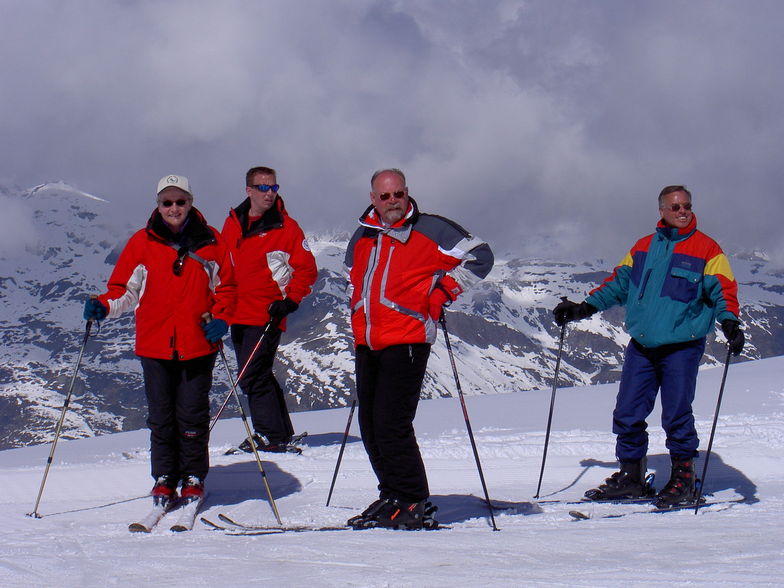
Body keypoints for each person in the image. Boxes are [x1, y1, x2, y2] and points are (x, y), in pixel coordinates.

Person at [553, 185, 744, 507]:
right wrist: (583, 308)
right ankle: (632, 478)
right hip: (642, 344)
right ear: (662, 211)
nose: (683, 211)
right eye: (676, 207)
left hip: (682, 346)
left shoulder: (707, 250)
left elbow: (724, 290)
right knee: (628, 412)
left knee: (676, 413)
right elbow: (619, 284)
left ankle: (684, 480)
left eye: (687, 206)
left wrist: (730, 322)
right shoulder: (644, 247)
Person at [344, 168, 494, 529]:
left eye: (397, 194)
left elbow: (481, 257)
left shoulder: (432, 229)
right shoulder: (363, 233)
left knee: (391, 423)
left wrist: (442, 292)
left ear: (407, 192)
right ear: (373, 199)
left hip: (408, 336)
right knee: (370, 424)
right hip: (368, 339)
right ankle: (393, 494)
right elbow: (351, 271)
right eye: (385, 196)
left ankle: (413, 500)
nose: (392, 202)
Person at [83, 174, 236, 506]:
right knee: (161, 416)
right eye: (167, 202)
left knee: (192, 414)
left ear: (190, 203)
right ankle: (165, 476)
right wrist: (103, 306)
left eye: (180, 201)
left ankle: (193, 476)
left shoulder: (211, 241)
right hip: (155, 345)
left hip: (198, 343)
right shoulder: (142, 243)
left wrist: (222, 318)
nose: (174, 208)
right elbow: (124, 291)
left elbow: (227, 287)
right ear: (158, 205)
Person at [220, 166, 317, 453]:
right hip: (237, 311)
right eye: (263, 187)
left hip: (266, 312)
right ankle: (279, 432)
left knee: (251, 374)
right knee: (258, 373)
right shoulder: (233, 223)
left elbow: (307, 270)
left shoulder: (286, 228)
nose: (270, 193)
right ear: (249, 190)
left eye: (273, 187)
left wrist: (290, 301)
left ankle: (270, 435)